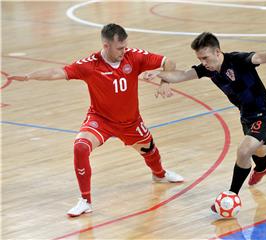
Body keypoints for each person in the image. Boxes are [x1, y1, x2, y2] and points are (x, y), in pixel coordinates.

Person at [7, 23, 184, 217]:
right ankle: (85, 201)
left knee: (150, 151)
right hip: (101, 120)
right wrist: (28, 76)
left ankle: (160, 175)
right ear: (106, 46)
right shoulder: (89, 65)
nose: (124, 51)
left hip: (130, 122)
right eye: (119, 48)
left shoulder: (133, 56)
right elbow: (57, 72)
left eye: (125, 46)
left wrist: (165, 81)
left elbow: (169, 62)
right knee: (80, 146)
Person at [144, 32, 266, 214]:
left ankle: (231, 195)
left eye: (205, 57)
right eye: (199, 58)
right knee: (258, 148)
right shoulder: (208, 69)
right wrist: (157, 74)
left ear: (217, 52)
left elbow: (258, 57)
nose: (203, 62)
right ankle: (263, 167)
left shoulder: (237, 60)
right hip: (247, 115)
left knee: (244, 151)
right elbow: (181, 75)